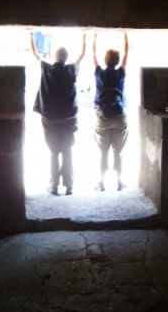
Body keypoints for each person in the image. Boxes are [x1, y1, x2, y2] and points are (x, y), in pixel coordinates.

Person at [30, 31, 86, 195]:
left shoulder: (46, 68)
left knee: (54, 151)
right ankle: (69, 186)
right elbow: (82, 55)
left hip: (49, 117)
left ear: (54, 58)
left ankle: (53, 185)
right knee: (67, 150)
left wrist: (30, 35)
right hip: (69, 117)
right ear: (66, 58)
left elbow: (34, 53)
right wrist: (85, 37)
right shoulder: (72, 69)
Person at [92, 32, 129, 191]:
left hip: (102, 115)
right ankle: (119, 182)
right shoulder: (121, 72)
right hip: (119, 115)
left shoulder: (99, 72)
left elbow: (93, 55)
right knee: (118, 152)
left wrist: (94, 38)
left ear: (105, 60)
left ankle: (101, 183)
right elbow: (126, 54)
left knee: (103, 152)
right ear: (118, 61)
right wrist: (126, 35)